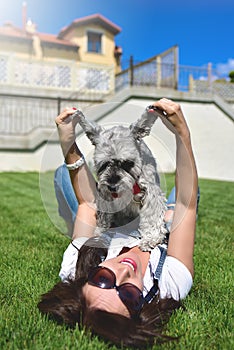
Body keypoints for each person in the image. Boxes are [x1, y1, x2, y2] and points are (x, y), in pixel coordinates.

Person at [38, 99, 198, 347]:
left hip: (105, 213)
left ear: (87, 278)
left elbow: (88, 205)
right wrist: (181, 133)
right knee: (184, 200)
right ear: (141, 307)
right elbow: (186, 206)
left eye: (104, 279)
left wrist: (67, 138)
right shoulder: (169, 284)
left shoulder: (76, 266)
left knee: (63, 173)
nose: (125, 271)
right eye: (129, 294)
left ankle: (79, 225)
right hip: (157, 221)